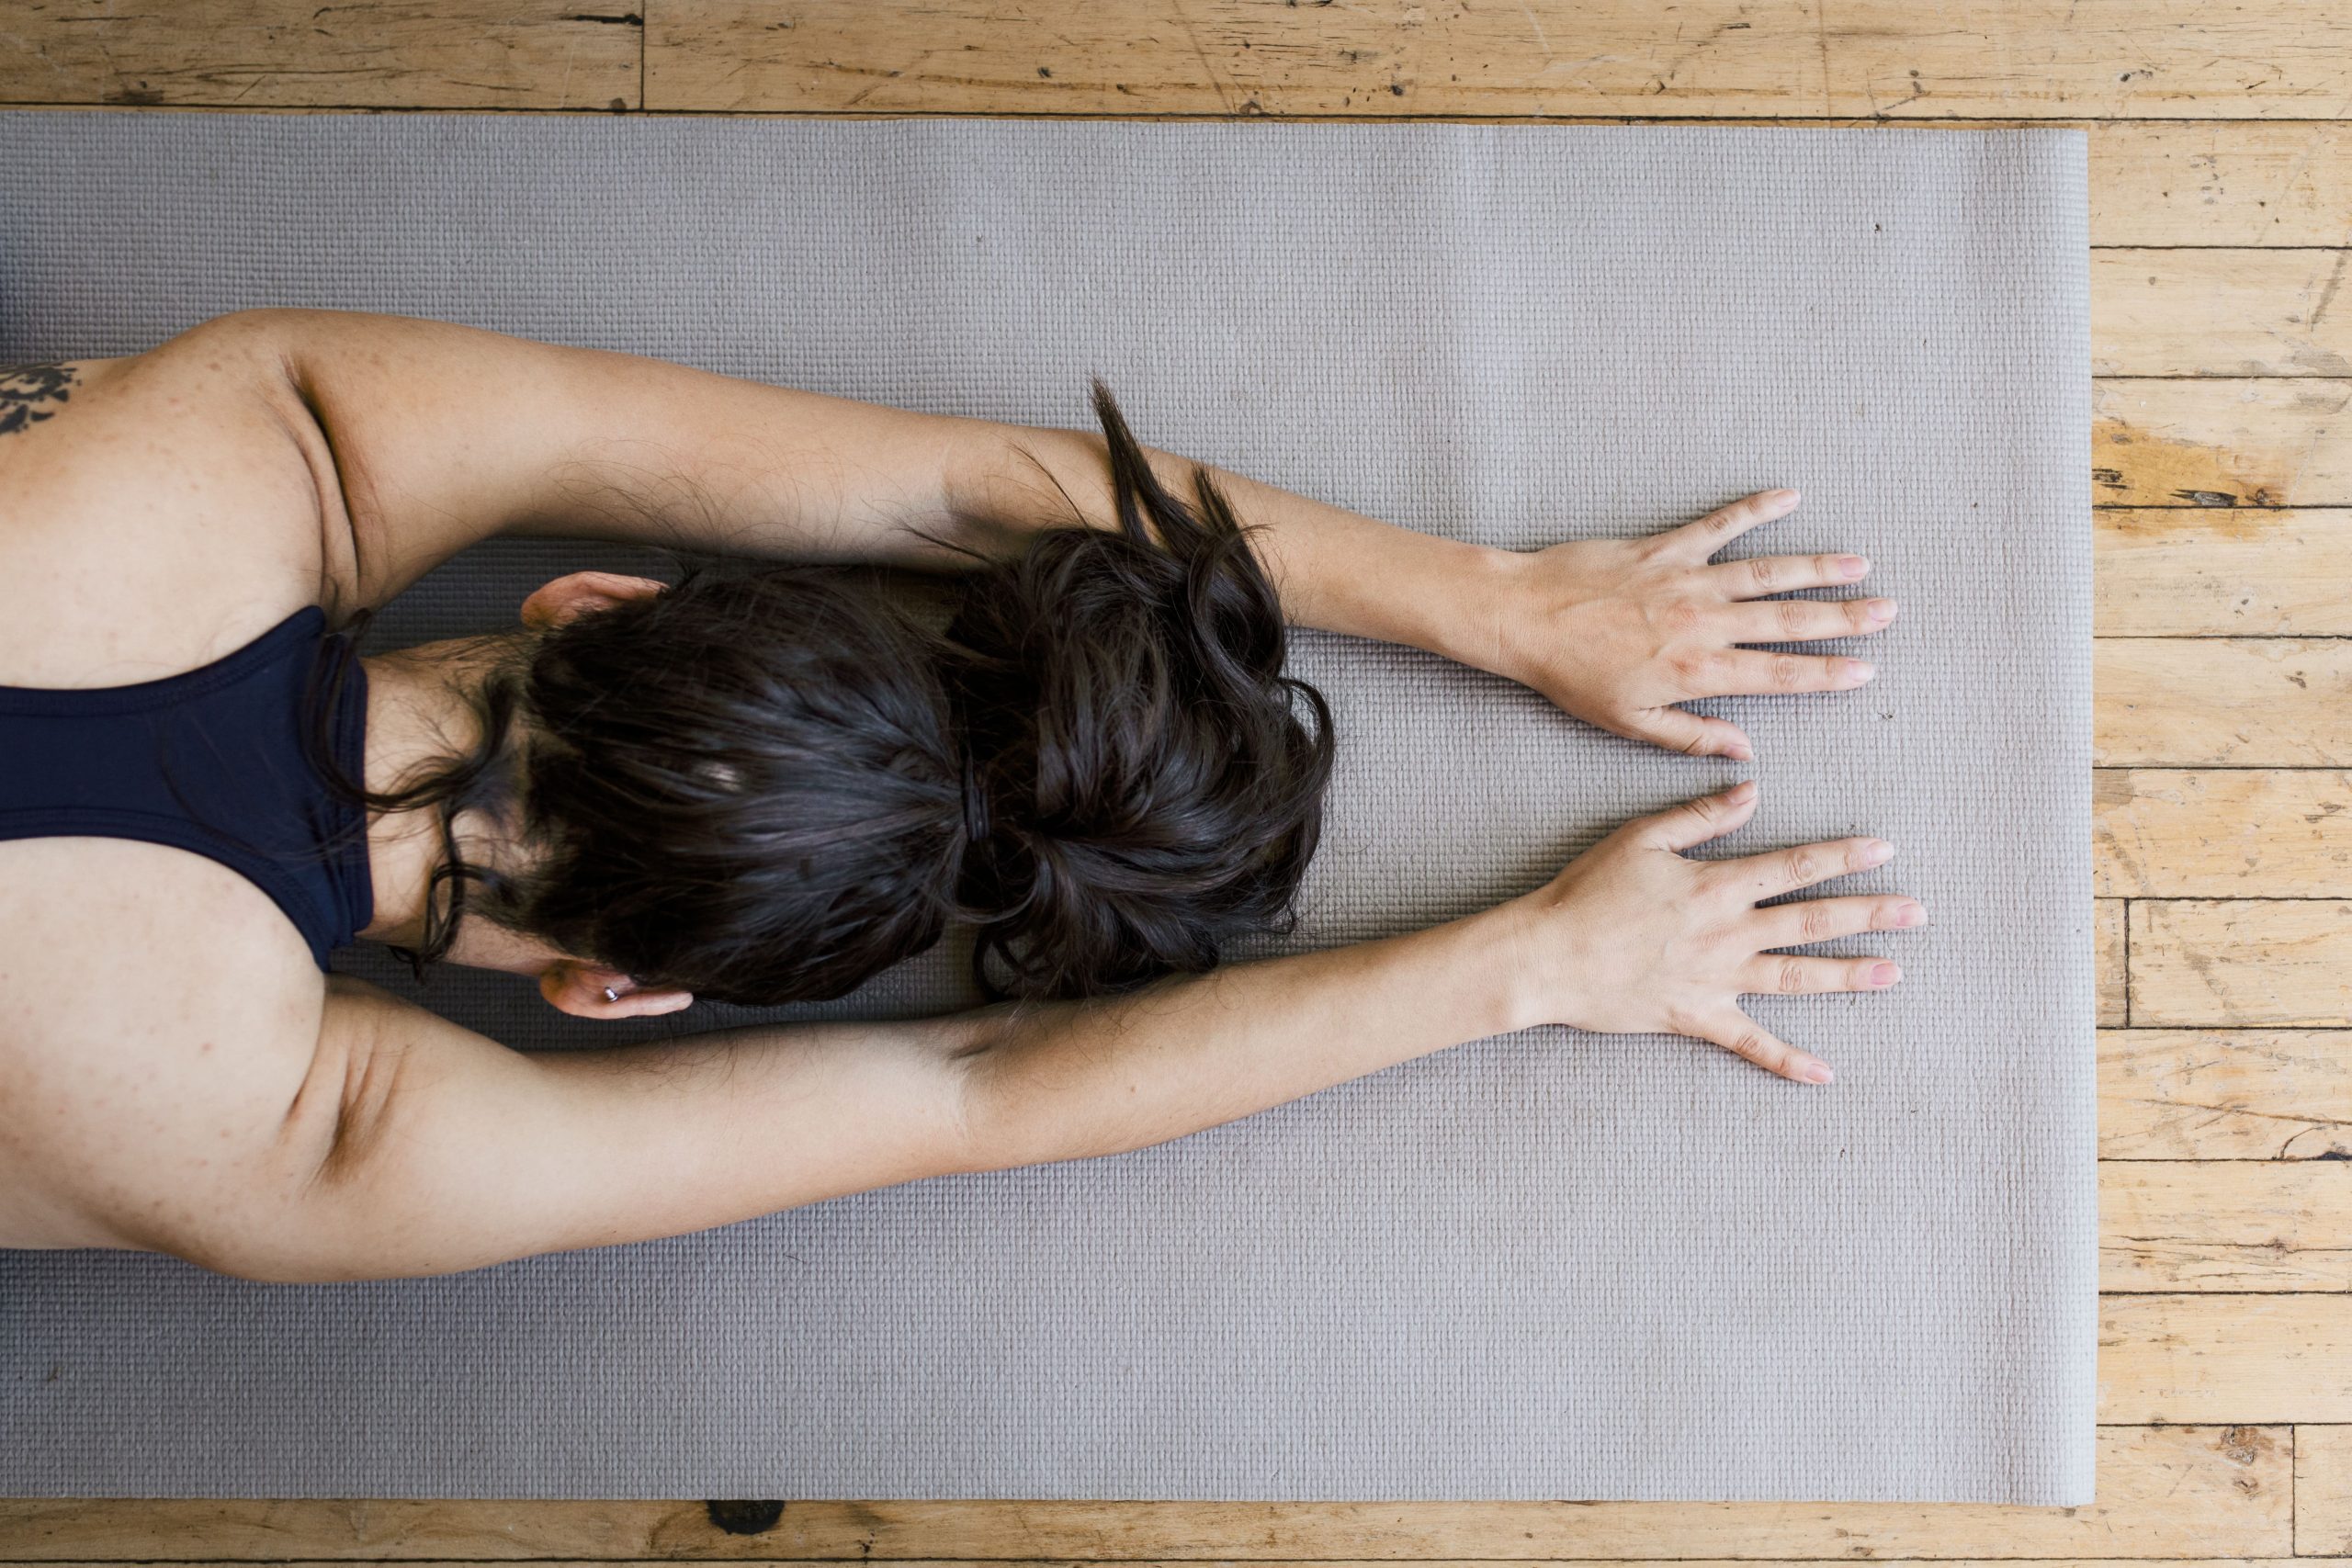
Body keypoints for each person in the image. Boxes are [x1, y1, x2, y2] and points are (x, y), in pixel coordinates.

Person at [0, 309, 1916, 1284]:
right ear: (612, 987)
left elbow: (961, 492)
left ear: (596, 596)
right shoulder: (286, 1130)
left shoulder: (254, 441)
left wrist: (1497, 602)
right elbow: (963, 1094)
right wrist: (1527, 965)